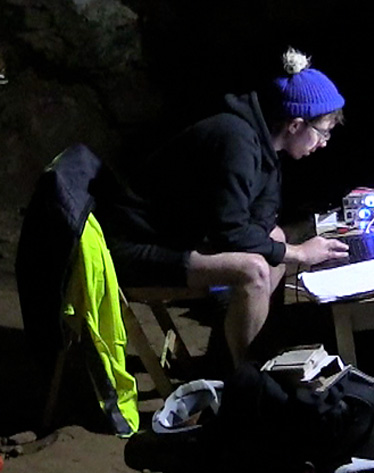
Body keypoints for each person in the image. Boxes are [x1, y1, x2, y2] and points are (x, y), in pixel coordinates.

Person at [99, 47, 349, 367]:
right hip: (134, 247)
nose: (324, 142)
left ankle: (230, 356)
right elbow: (230, 233)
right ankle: (245, 382)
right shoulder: (236, 141)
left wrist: (279, 244)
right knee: (254, 270)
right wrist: (301, 253)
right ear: (296, 125)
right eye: (322, 132)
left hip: (177, 237)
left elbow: (261, 216)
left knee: (276, 239)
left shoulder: (266, 145)